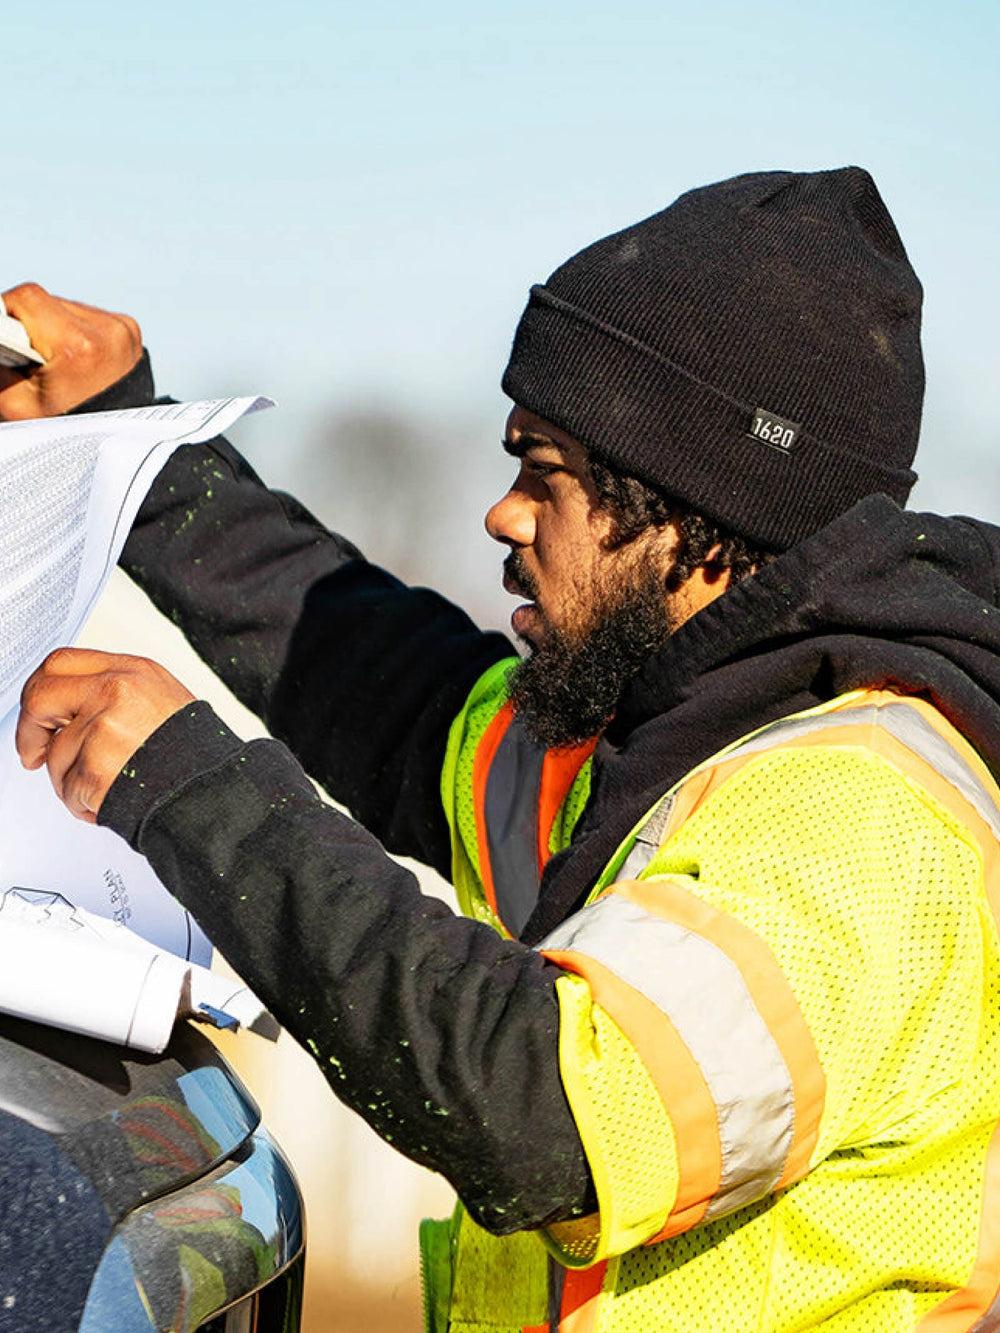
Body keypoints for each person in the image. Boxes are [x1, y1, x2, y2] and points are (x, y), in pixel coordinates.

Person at [4, 166, 1000, 1331]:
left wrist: (191, 786)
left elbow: (549, 1116)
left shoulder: (860, 815)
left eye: (547, 472)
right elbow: (381, 686)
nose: (502, 512)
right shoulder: (645, 757)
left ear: (692, 505)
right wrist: (137, 438)